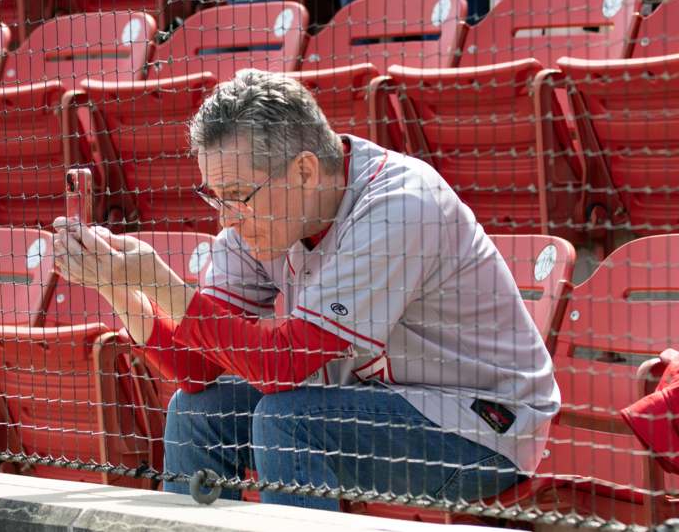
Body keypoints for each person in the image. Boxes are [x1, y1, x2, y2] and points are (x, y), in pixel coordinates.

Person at [53, 69, 560, 510]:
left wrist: (161, 281)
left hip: (481, 432)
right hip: (369, 407)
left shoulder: (402, 202)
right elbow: (198, 371)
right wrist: (122, 290)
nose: (227, 217)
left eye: (237, 196)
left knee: (289, 419)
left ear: (304, 170)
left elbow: (281, 366)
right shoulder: (261, 216)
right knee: (198, 411)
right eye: (216, 196)